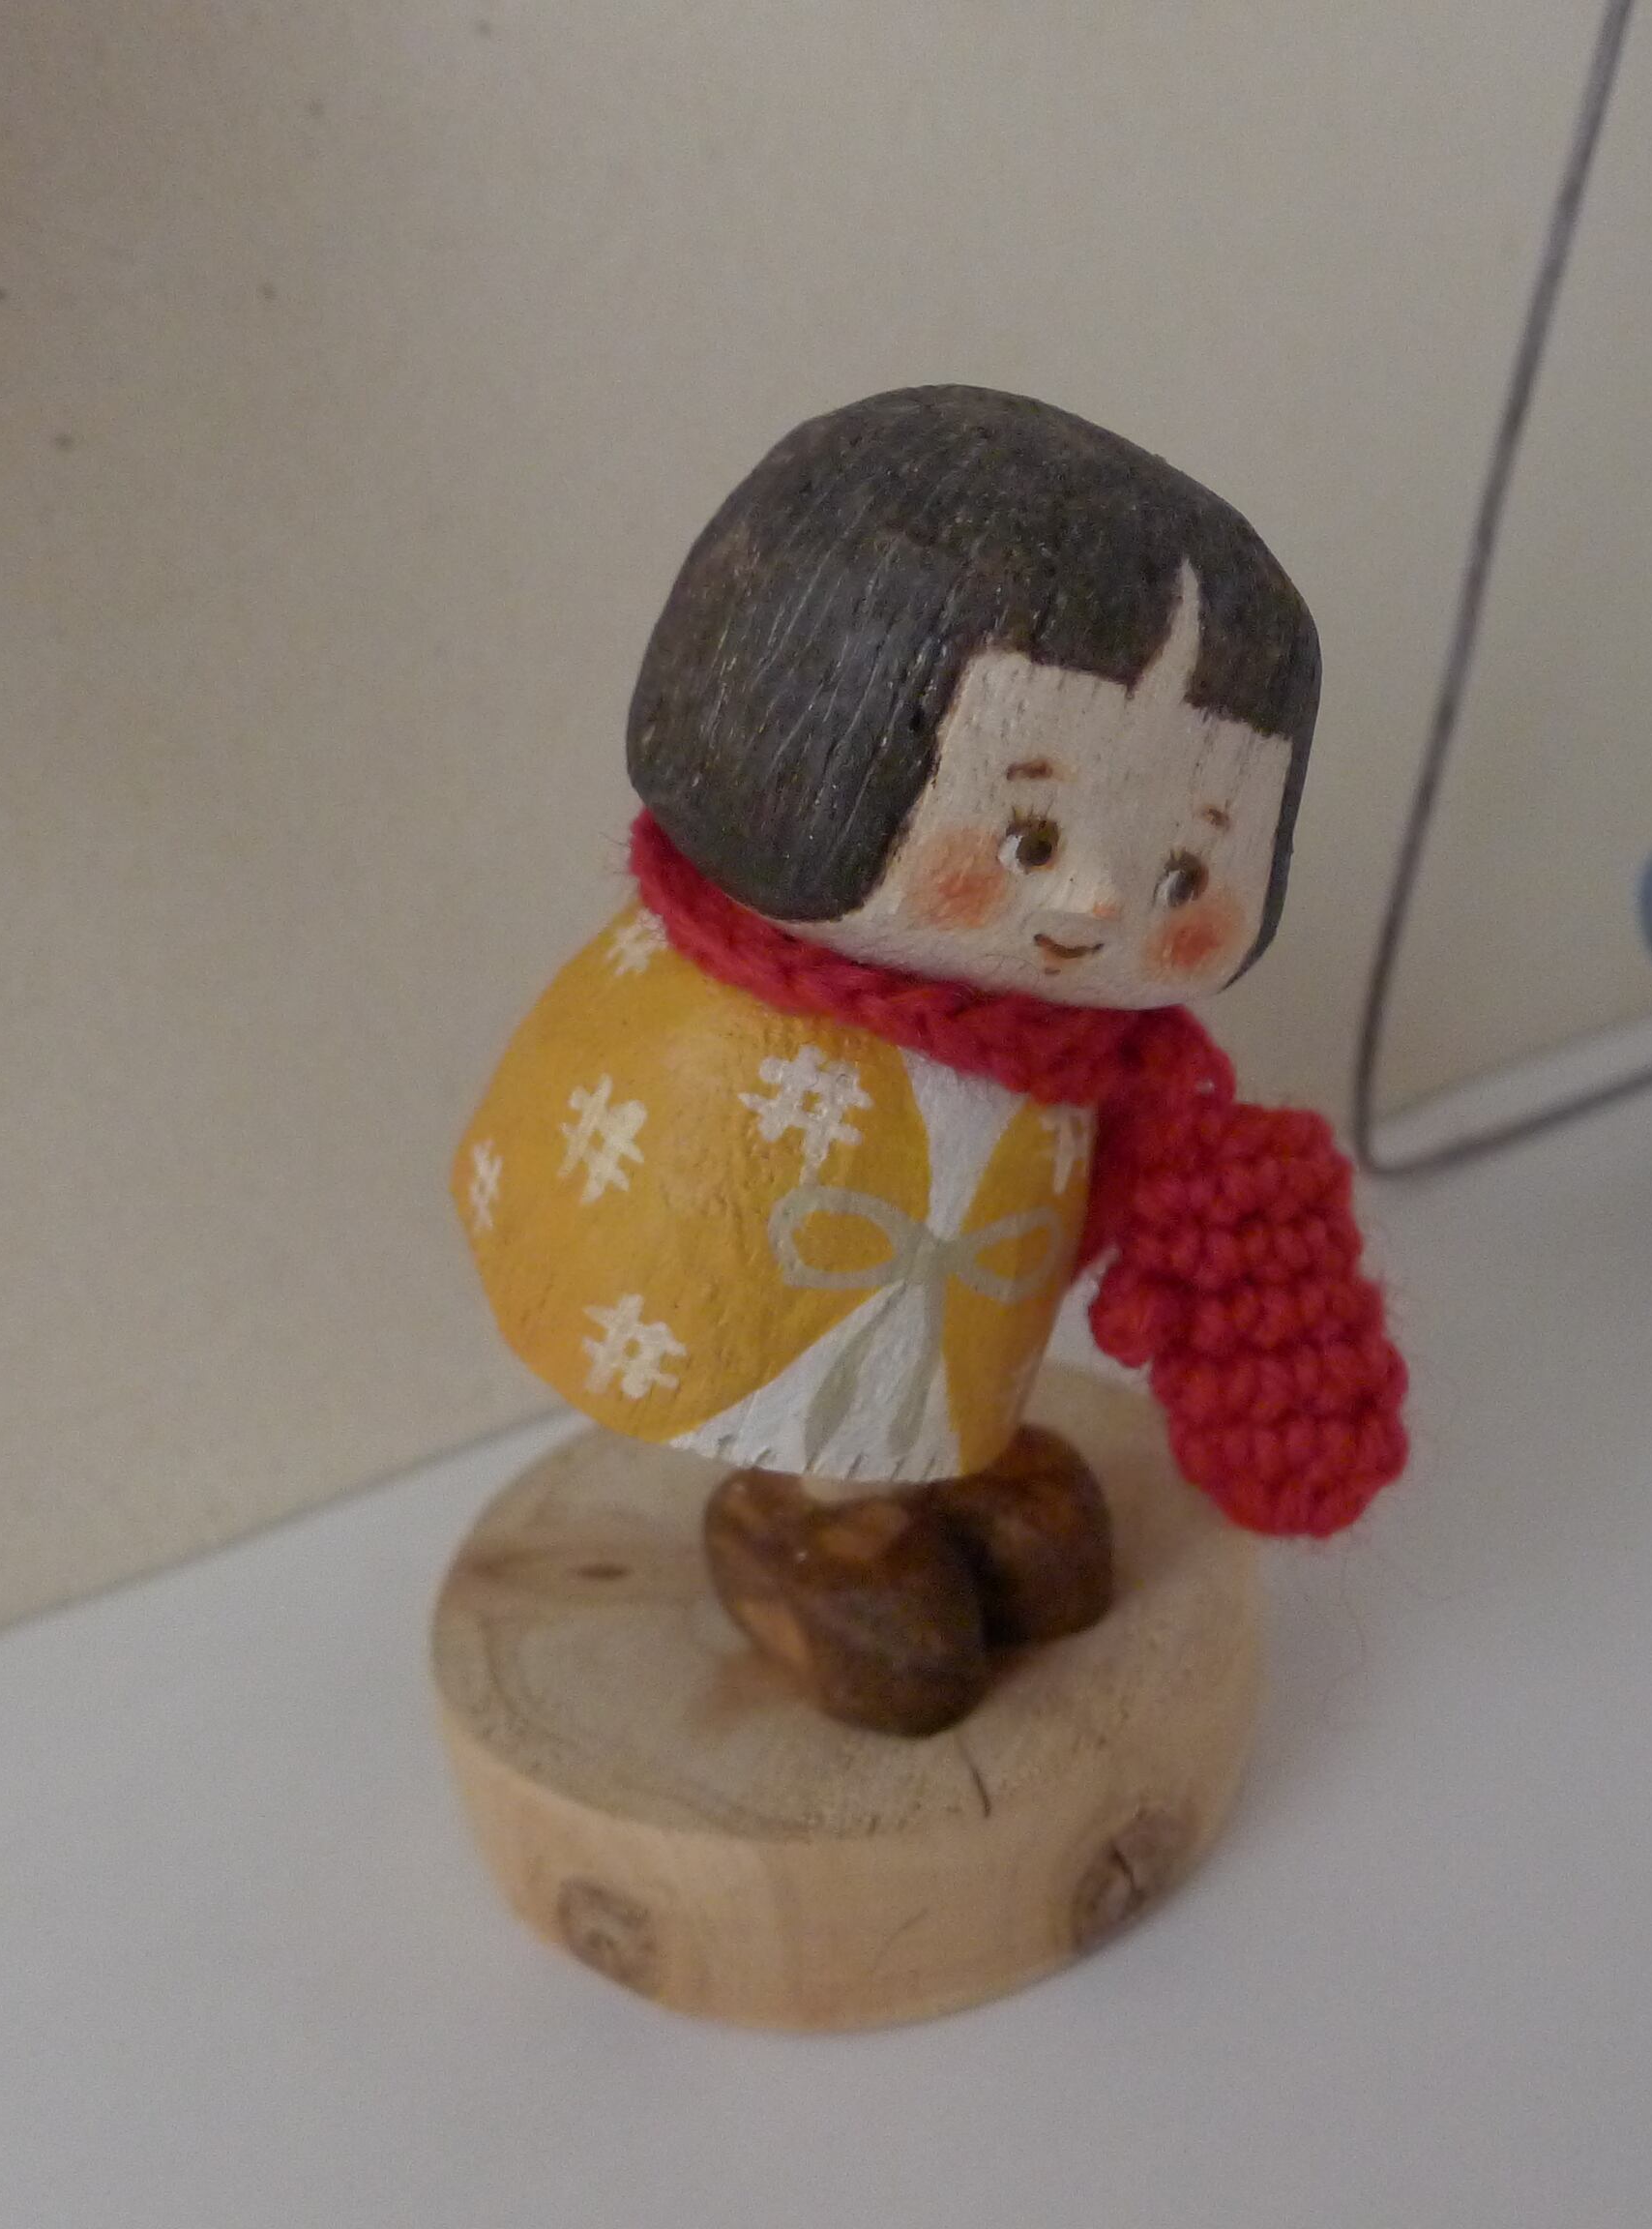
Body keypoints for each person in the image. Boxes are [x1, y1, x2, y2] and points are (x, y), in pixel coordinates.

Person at [456, 386, 1405, 1736]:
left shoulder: (1080, 1061)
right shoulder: (715, 1012)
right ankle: (809, 1512)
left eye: (1182, 871)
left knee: (948, 1374)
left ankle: (933, 1468)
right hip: (744, 1323)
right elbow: (655, 1204)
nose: (1094, 904)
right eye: (1031, 839)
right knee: (802, 1381)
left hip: (958, 1326)